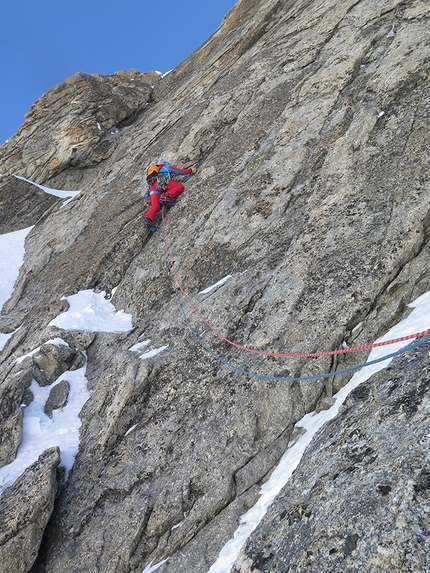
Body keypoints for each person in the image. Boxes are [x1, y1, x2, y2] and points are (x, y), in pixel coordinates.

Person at [143, 161, 197, 232]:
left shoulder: (153, 177)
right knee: (180, 187)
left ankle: (148, 219)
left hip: (152, 188)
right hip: (161, 182)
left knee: (155, 205)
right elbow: (181, 171)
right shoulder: (166, 167)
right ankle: (166, 196)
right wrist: (191, 170)